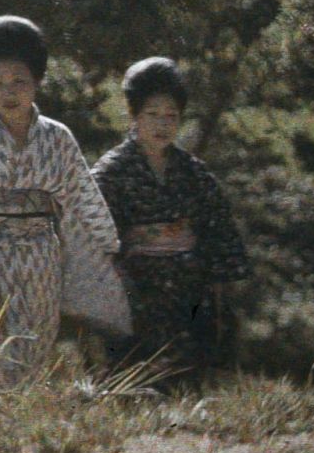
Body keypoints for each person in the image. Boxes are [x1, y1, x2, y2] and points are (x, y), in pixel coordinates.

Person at [0, 15, 121, 387]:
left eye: (19, 81)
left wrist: (99, 263)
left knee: (28, 368)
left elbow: (82, 202)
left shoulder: (57, 138)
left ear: (37, 82)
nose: (8, 91)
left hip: (38, 264)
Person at [90, 58, 251, 381]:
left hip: (190, 289)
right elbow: (96, 236)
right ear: (134, 116)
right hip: (136, 288)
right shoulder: (111, 172)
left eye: (171, 116)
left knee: (194, 368)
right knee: (133, 374)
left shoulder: (193, 172)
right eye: (152, 115)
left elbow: (219, 230)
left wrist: (220, 283)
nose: (162, 125)